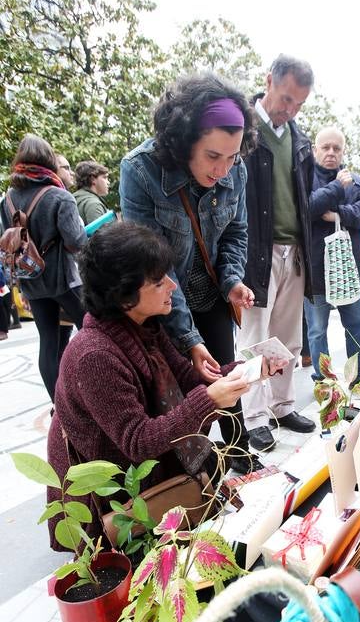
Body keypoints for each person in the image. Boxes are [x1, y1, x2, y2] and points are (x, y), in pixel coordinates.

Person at [46, 222, 283, 551]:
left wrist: (250, 369)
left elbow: (189, 382)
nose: (172, 285)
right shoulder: (94, 356)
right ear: (124, 295)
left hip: (147, 473)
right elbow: (139, 442)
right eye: (159, 281)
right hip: (115, 497)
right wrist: (209, 400)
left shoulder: (147, 326)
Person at [120, 72, 260, 475]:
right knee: (176, 393)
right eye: (213, 156)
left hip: (212, 292)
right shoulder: (141, 169)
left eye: (233, 157)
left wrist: (232, 279)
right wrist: (189, 339)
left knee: (226, 375)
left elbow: (236, 230)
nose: (223, 169)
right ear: (183, 142)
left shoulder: (236, 170)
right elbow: (154, 264)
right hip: (163, 298)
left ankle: (240, 452)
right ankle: (187, 475)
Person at [239, 54, 316, 451]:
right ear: (268, 81)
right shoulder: (244, 131)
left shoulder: (299, 139)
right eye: (286, 98)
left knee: (288, 337)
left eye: (299, 103)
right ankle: (253, 416)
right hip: (256, 250)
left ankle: (283, 405)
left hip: (295, 250)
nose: (290, 109)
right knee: (255, 338)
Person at [0, 134, 87, 399]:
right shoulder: (59, 196)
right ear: (48, 161)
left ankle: (59, 404)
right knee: (96, 333)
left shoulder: (8, 199)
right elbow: (77, 242)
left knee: (48, 342)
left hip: (31, 280)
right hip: (64, 280)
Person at [304, 126, 360, 380]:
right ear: (315, 150)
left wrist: (339, 214)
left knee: (355, 326)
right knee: (316, 330)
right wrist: (336, 188)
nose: (331, 153)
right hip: (314, 271)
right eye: (326, 147)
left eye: (337, 148)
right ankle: (324, 381)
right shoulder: (304, 178)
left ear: (343, 151)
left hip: (349, 270)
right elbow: (307, 208)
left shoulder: (354, 180)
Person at [74, 160, 110, 225]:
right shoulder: (94, 204)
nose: (108, 182)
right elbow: (100, 234)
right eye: (105, 177)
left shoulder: (73, 198)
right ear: (93, 179)